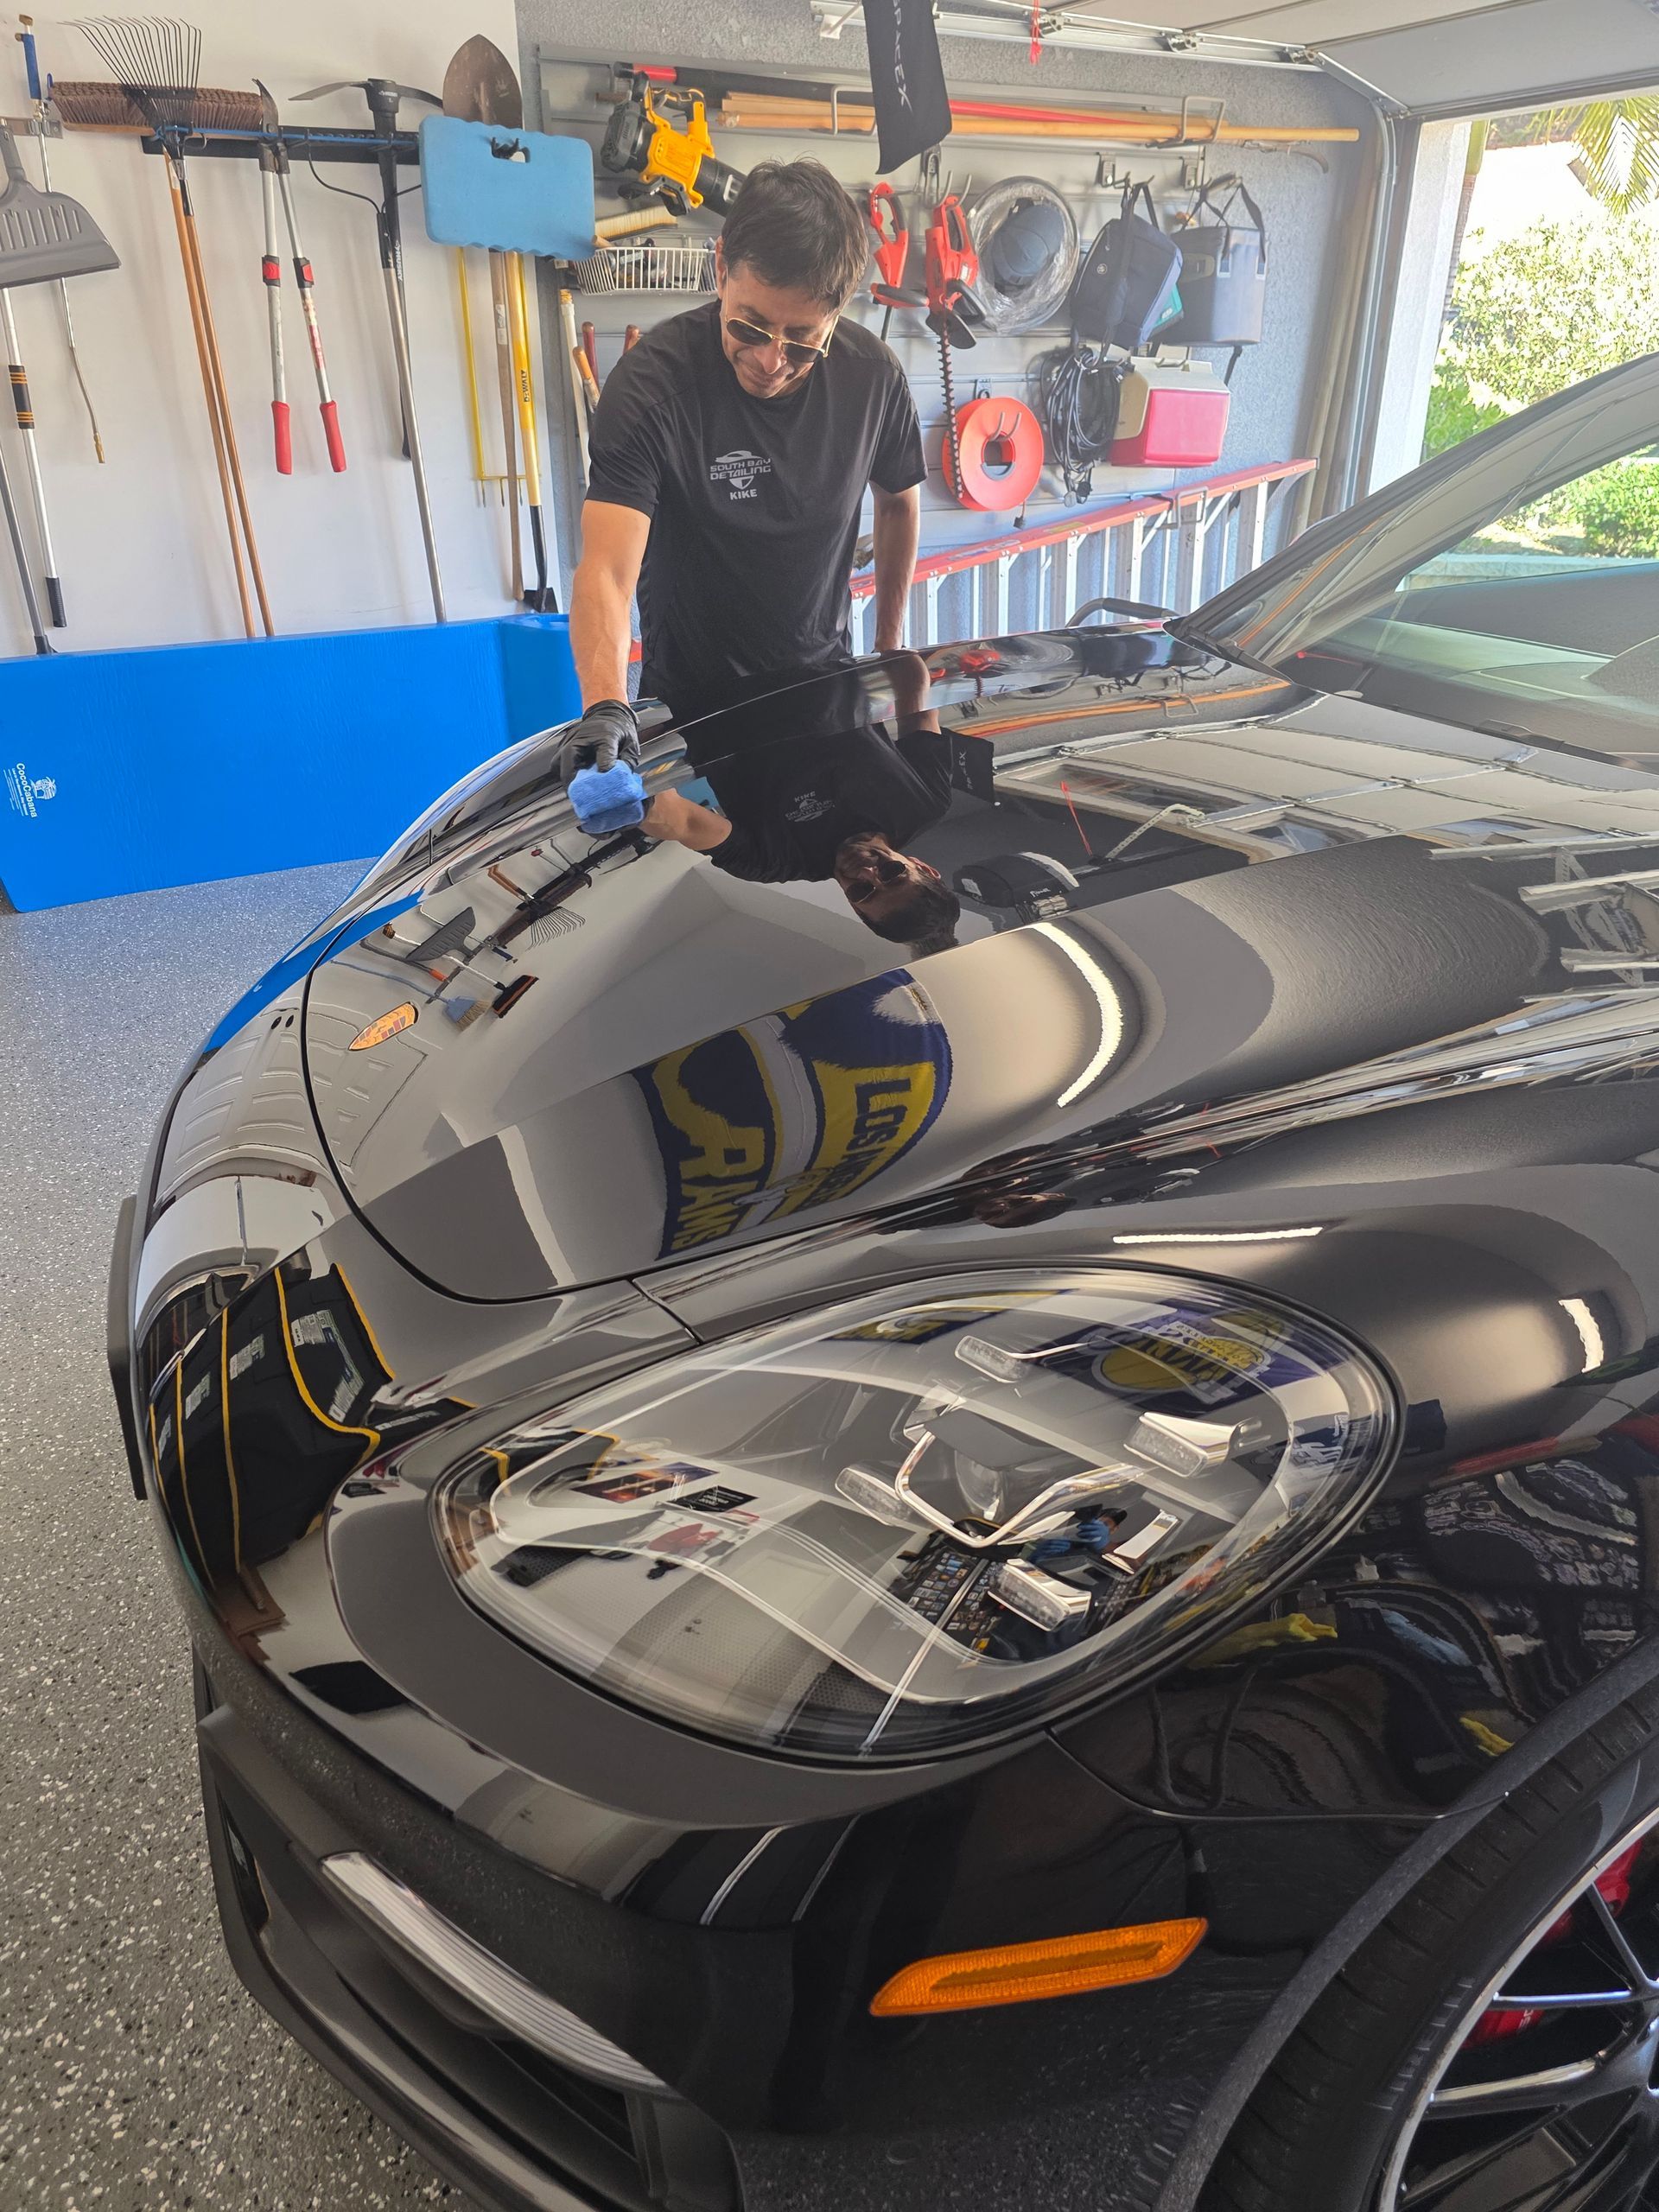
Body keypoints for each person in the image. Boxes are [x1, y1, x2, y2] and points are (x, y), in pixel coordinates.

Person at [560, 158, 927, 792]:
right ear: (720, 265)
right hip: (690, 713)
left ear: (841, 310)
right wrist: (605, 707)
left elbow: (898, 503)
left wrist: (887, 652)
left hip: (825, 693)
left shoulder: (874, 377)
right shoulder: (650, 388)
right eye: (749, 325)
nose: (770, 361)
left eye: (803, 338)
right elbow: (607, 570)